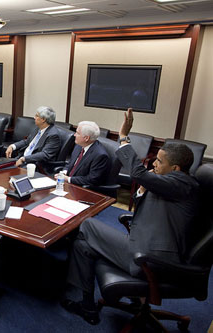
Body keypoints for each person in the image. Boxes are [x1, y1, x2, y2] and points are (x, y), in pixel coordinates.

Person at [62, 108, 200, 325]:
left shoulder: (183, 184)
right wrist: (142, 191)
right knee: (83, 246)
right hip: (143, 242)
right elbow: (143, 201)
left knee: (87, 225)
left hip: (151, 258)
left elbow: (137, 173)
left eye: (159, 162)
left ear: (176, 168)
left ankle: (89, 303)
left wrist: (124, 137)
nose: (154, 164)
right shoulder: (169, 184)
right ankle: (87, 305)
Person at [56, 121, 110, 186]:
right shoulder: (79, 145)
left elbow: (92, 179)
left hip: (82, 188)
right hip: (68, 183)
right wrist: (63, 173)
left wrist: (68, 179)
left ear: (86, 138)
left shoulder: (100, 155)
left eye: (77, 133)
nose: (74, 135)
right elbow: (70, 163)